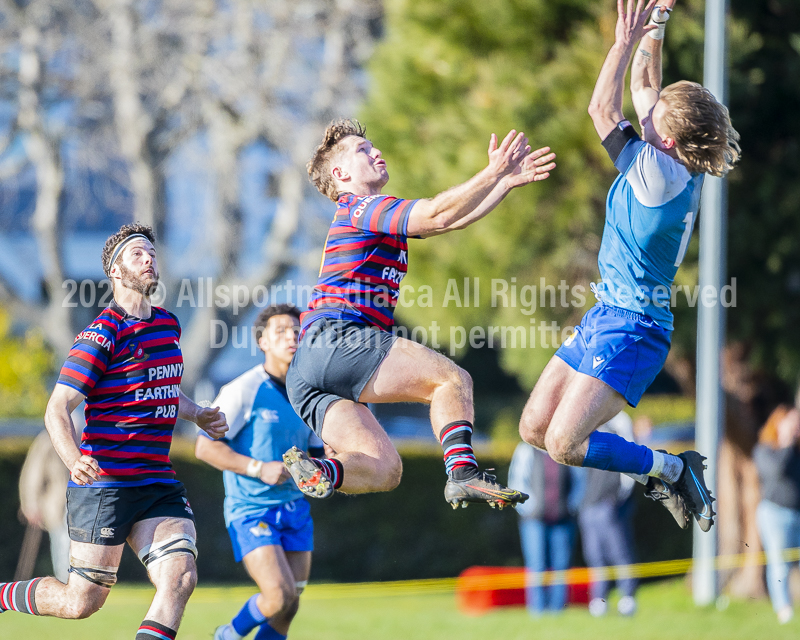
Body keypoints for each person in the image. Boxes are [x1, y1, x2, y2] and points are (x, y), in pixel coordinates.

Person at [518, 0, 740, 532]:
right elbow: (645, 83)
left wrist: (622, 39)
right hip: (607, 314)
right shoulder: (667, 158)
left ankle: (669, 468)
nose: (648, 107)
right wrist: (655, 27)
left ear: (666, 138)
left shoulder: (658, 174)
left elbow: (601, 110)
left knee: (566, 443)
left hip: (635, 329)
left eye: (656, 114)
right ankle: (663, 469)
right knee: (533, 427)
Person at [282, 119, 556, 508]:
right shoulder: (362, 207)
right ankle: (463, 473)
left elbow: (451, 220)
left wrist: (503, 184)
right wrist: (492, 171)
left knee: (383, 468)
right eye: (363, 150)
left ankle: (321, 472)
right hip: (338, 338)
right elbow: (437, 214)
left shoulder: (369, 214)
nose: (376, 152)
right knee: (451, 380)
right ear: (340, 173)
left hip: (307, 372)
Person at [0, 224, 228, 640]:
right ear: (117, 272)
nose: (149, 259)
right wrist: (74, 459)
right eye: (138, 254)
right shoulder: (100, 333)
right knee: (80, 603)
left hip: (157, 481)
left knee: (180, 578)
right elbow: (57, 408)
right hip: (105, 485)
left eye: (151, 252)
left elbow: (162, 387)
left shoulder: (169, 325)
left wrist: (197, 413)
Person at [196, 304, 326, 640]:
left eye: (297, 331)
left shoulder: (310, 394)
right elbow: (204, 447)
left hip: (295, 509)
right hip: (252, 510)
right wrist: (258, 468)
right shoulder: (244, 388)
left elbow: (316, 453)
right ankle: (228, 634)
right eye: (281, 331)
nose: (292, 336)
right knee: (278, 596)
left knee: (290, 604)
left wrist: (330, 466)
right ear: (262, 342)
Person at [508, 441, 583, 615]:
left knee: (562, 566)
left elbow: (580, 481)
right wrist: (530, 508)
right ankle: (538, 611)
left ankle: (558, 610)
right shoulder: (526, 449)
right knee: (536, 565)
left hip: (563, 519)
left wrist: (571, 506)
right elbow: (517, 480)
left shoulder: (565, 448)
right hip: (534, 520)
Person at [577, 412, 638, 617]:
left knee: (620, 553)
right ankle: (599, 600)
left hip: (609, 503)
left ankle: (627, 598)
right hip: (588, 504)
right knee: (595, 556)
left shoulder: (620, 422)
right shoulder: (588, 423)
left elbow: (631, 462)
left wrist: (619, 497)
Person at [754, 402, 800, 624]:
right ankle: (784, 610)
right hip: (775, 515)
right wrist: (786, 443)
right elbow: (777, 471)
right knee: (780, 564)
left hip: (797, 515)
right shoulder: (765, 450)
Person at [18, 429, 71, 583]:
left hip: (83, 503)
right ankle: (67, 588)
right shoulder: (48, 439)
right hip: (60, 505)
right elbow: (33, 473)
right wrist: (31, 504)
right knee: (63, 551)